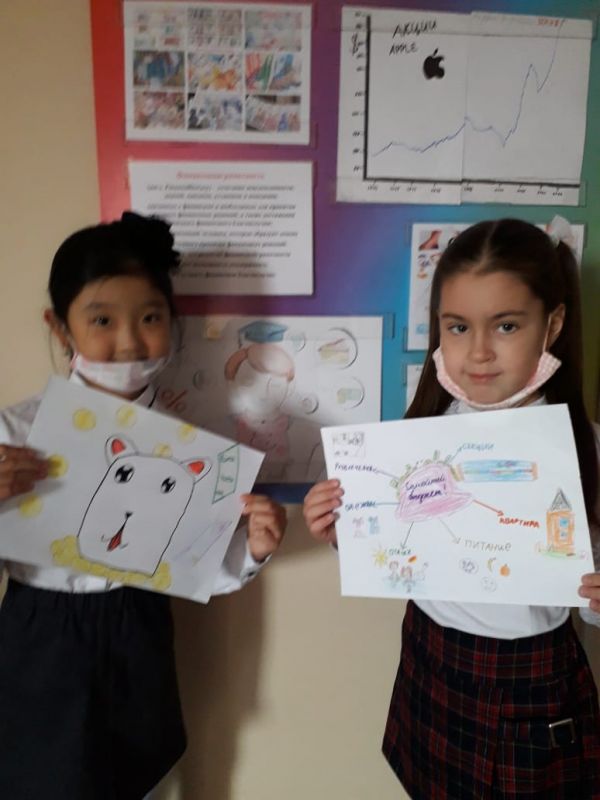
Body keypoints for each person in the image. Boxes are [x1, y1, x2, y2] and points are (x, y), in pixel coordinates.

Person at [303, 217, 600, 799]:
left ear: (553, 324)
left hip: (531, 680)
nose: (479, 352)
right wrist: (342, 529)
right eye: (458, 327)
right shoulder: (422, 432)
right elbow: (398, 546)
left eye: (507, 325)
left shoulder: (584, 447)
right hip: (432, 660)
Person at [0, 211, 287, 800]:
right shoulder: (16, 431)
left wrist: (253, 548)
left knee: (139, 773)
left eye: (150, 318)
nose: (130, 341)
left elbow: (199, 563)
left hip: (140, 628)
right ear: (60, 327)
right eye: (102, 319)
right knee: (38, 774)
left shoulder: (191, 446)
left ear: (173, 323)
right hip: (40, 636)